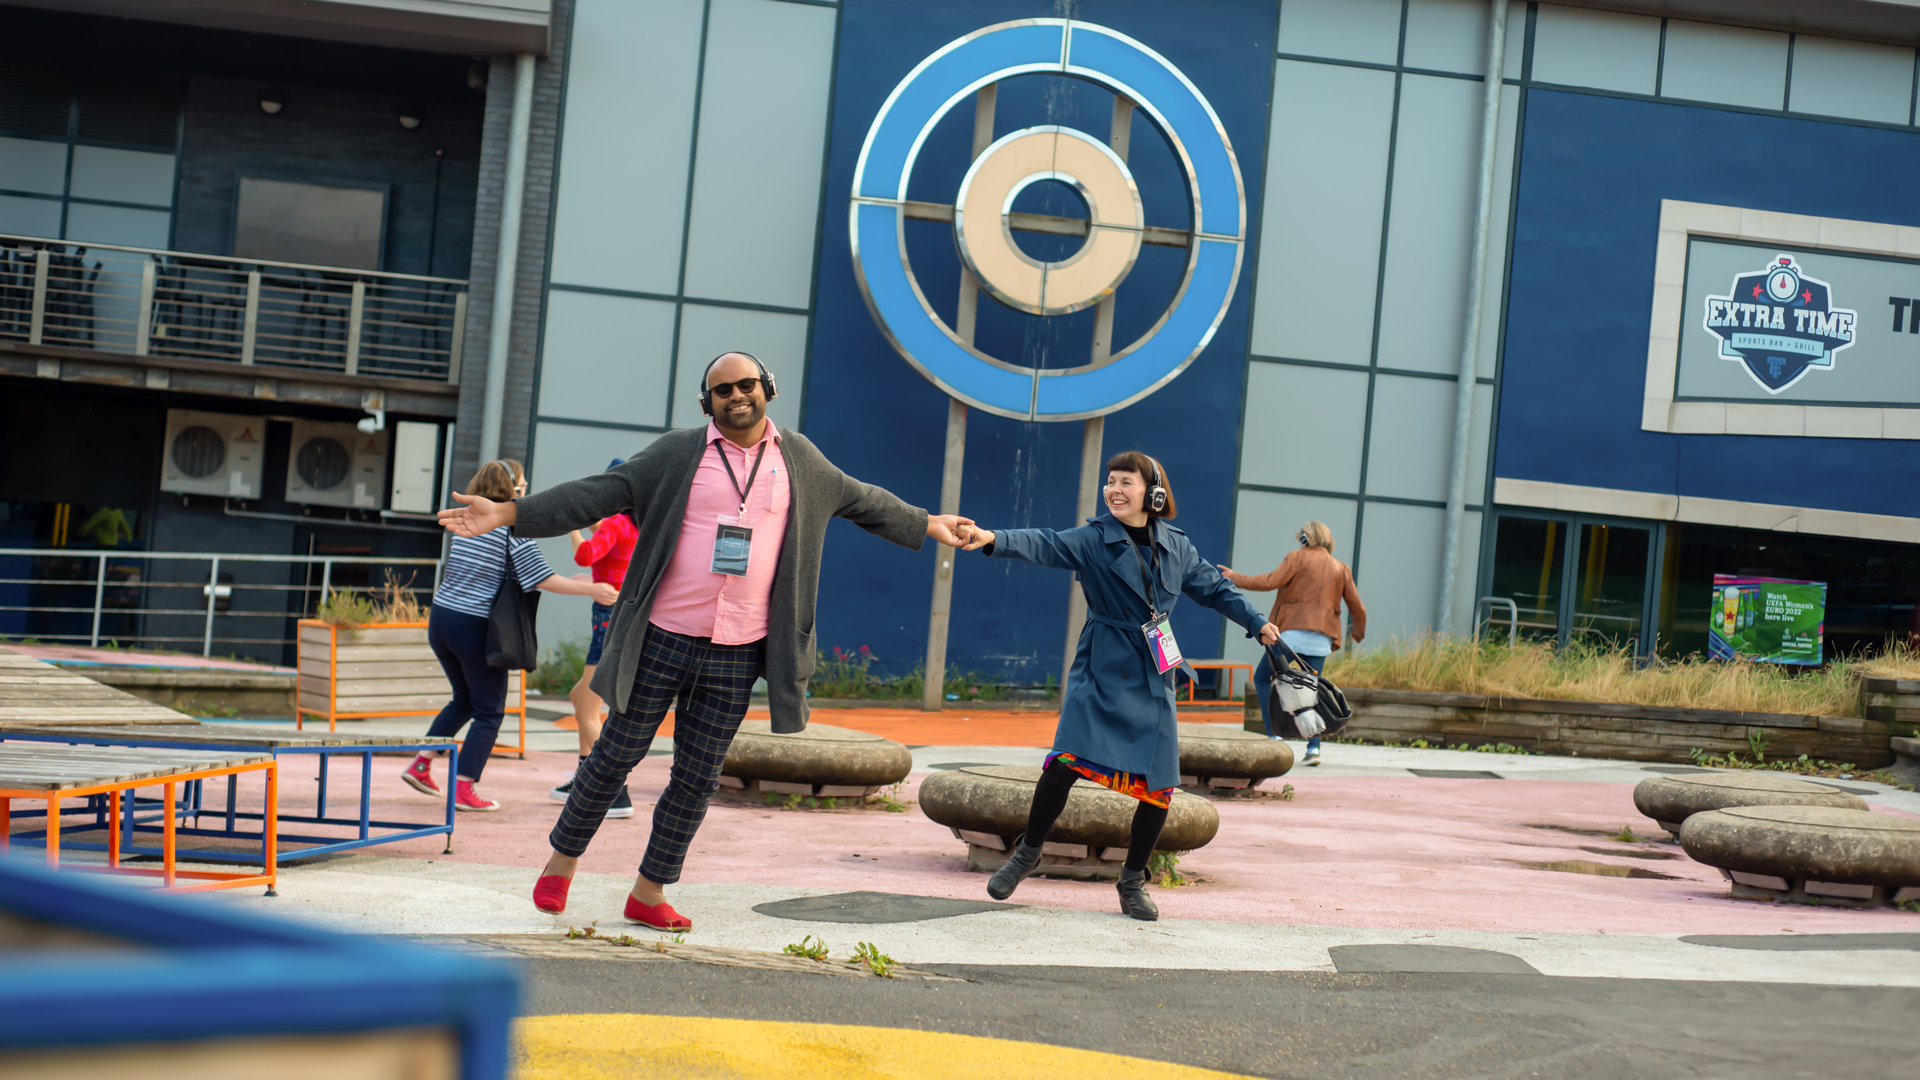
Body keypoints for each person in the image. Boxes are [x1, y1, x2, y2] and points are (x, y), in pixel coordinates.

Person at [435, 351, 974, 931]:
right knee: (615, 755)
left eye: (746, 385)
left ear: (767, 389)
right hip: (662, 635)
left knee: (696, 777)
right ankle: (561, 864)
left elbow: (864, 499)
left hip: (740, 649)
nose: (735, 395)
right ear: (707, 401)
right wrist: (509, 512)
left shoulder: (800, 462)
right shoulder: (677, 453)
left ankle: (649, 891)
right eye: (722, 390)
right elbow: (598, 492)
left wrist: (925, 523)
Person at [956, 452, 1279, 920]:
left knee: (1158, 786)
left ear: (1154, 492)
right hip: (1101, 664)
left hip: (1153, 671)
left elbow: (1215, 589)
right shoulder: (1093, 538)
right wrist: (991, 538)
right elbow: (1044, 543)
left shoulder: (1177, 545)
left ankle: (1132, 882)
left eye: (1125, 482)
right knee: (1064, 761)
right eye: (1110, 482)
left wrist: (1259, 624)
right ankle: (1027, 853)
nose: (1114, 490)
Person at [403, 460, 618, 810]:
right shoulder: (511, 531)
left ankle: (422, 764)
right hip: (474, 626)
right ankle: (464, 787)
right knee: (490, 711)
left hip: (442, 620)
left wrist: (581, 584)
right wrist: (591, 590)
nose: (526, 485)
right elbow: (541, 578)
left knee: (464, 700)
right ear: (510, 489)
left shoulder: (466, 525)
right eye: (521, 482)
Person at [1217, 520, 1367, 766]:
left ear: (1306, 539)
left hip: (1291, 636)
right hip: (1322, 640)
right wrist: (1357, 634)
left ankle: (1274, 734)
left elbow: (1269, 581)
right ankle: (1313, 748)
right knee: (1312, 689)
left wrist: (1236, 578)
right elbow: (1357, 607)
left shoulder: (1296, 557)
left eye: (1301, 537)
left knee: (1264, 678)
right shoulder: (1341, 568)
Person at [551, 458, 639, 819]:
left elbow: (586, 553)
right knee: (578, 696)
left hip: (607, 618)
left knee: (589, 710)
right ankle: (584, 775)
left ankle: (615, 791)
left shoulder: (617, 524)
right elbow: (614, 543)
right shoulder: (634, 524)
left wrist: (575, 527)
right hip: (617, 617)